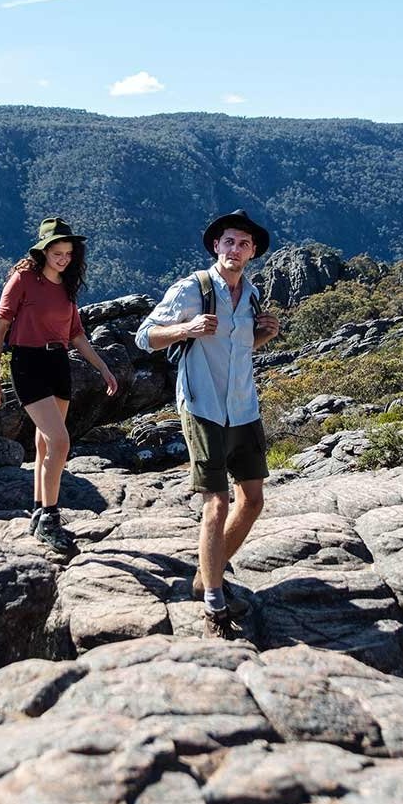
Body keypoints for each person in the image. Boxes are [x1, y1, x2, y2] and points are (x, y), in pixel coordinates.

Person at [135, 209, 281, 638]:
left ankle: (205, 577)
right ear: (216, 246)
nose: (236, 249)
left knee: (252, 500)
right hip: (202, 406)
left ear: (252, 252)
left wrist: (264, 336)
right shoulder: (192, 290)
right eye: (229, 242)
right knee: (217, 503)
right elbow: (144, 337)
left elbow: (242, 347)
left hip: (243, 407)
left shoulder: (251, 295)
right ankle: (215, 603)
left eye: (244, 244)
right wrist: (187, 328)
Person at [0, 217, 118, 553]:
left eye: (68, 253)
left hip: (58, 363)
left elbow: (77, 335)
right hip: (27, 363)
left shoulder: (66, 287)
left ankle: (36, 509)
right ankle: (50, 517)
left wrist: (103, 367)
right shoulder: (23, 279)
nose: (62, 258)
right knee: (60, 441)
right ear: (43, 251)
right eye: (57, 252)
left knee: (46, 444)